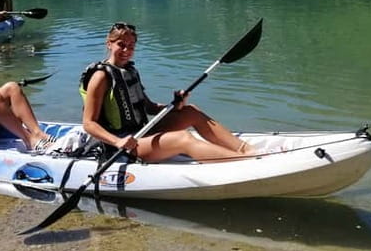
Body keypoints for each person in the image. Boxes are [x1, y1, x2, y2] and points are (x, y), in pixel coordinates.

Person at [80, 22, 252, 163]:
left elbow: (148, 107)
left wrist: (174, 105)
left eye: (131, 46)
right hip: (121, 145)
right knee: (182, 138)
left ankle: (246, 150)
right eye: (121, 45)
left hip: (141, 133)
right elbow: (89, 123)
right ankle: (243, 162)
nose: (126, 51)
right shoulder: (101, 76)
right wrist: (118, 142)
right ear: (109, 44)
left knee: (190, 111)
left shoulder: (129, 71)